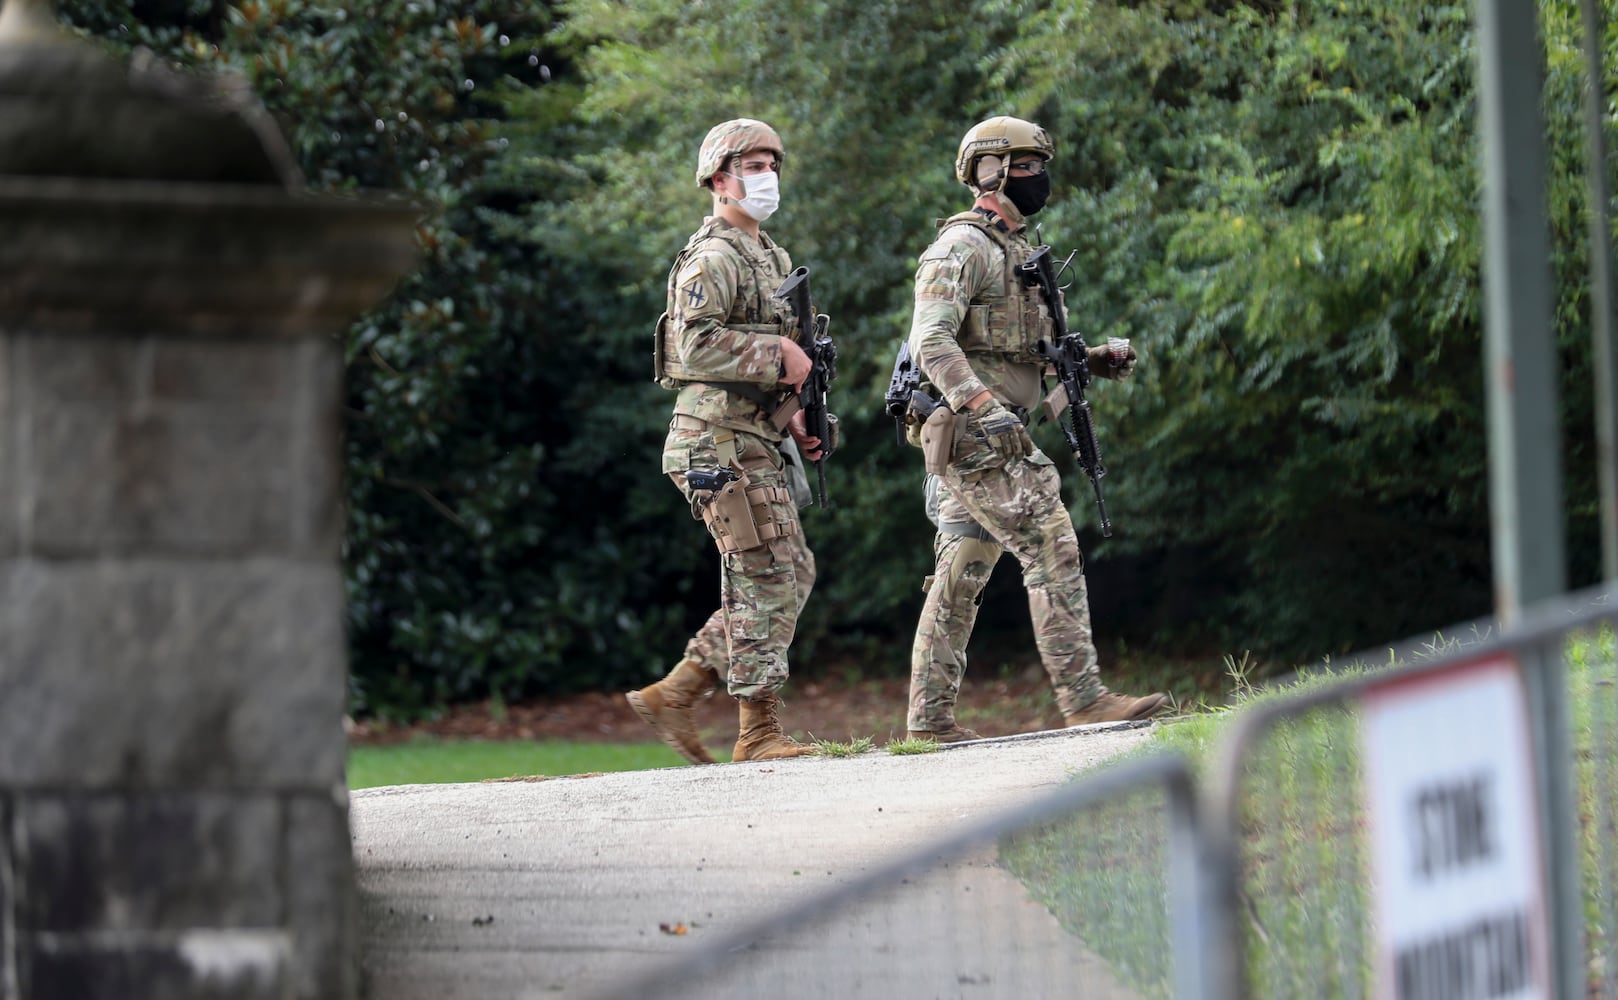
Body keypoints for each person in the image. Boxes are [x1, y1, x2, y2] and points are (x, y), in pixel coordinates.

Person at [903, 115, 1167, 743]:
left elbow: (1019, 349)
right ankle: (1084, 699)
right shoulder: (961, 248)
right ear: (989, 172)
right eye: (1025, 166)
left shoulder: (1014, 250)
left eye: (1039, 165)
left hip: (995, 429)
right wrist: (980, 406)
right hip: (977, 435)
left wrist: (1092, 361)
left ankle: (929, 720)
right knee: (1052, 545)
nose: (1038, 177)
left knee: (963, 569)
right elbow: (929, 340)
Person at [626, 118, 824, 764]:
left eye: (773, 164)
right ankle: (757, 732)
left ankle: (677, 691)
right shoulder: (713, 256)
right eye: (754, 165)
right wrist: (779, 350)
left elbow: (774, 363)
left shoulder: (767, 254)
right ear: (719, 179)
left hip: (752, 435)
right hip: (715, 442)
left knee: (789, 570)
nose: (768, 176)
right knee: (766, 573)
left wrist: (794, 411)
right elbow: (693, 344)